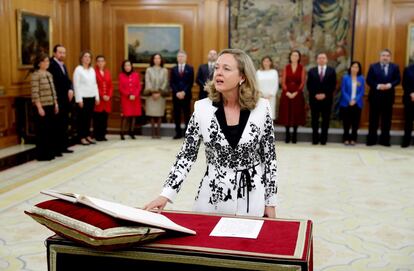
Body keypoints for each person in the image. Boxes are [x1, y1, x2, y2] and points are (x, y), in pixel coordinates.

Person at [144, 49, 277, 218]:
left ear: (242, 77)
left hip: (251, 198)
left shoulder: (262, 108)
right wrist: (166, 194)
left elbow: (269, 158)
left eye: (226, 69)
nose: (218, 73)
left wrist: (270, 202)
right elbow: (186, 155)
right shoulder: (201, 108)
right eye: (217, 68)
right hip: (212, 198)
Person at [366, 49, 401, 146]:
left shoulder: (395, 67)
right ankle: (371, 140)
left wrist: (390, 85)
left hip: (388, 98)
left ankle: (385, 141)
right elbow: (369, 80)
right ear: (380, 57)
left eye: (387, 56)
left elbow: (398, 79)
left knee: (386, 120)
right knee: (373, 120)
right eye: (383, 55)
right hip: (375, 97)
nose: (385, 57)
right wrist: (378, 86)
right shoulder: (373, 66)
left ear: (390, 57)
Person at [31, 53, 59, 161]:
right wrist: (39, 107)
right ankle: (42, 154)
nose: (47, 63)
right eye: (45, 61)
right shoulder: (35, 75)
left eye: (48, 61)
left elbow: (53, 91)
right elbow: (35, 93)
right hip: (42, 106)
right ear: (39, 63)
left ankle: (49, 152)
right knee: (42, 131)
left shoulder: (49, 74)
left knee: (50, 130)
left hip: (51, 105)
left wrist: (56, 103)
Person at [48, 44, 74, 153]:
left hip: (65, 99)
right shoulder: (51, 64)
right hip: (57, 99)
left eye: (64, 52)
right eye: (60, 52)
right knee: (57, 124)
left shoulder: (62, 65)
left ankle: (63, 146)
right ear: (54, 53)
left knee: (64, 123)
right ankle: (57, 148)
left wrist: (71, 89)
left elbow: (67, 80)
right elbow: (54, 84)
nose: (62, 54)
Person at [306, 52, 337, 145]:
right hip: (314, 99)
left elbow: (333, 85)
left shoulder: (331, 71)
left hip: (327, 99)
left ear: (326, 60)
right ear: (317, 60)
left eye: (323, 58)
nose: (321, 59)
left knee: (325, 120)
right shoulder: (312, 71)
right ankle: (315, 139)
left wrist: (325, 94)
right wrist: (315, 94)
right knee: (314, 120)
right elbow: (309, 85)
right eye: (319, 58)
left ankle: (323, 140)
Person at [278, 50, 306, 143]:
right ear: (290, 57)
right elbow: (283, 81)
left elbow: (302, 82)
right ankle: (287, 134)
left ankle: (294, 134)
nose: (294, 57)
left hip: (297, 94)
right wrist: (287, 92)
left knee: (296, 114)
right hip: (286, 94)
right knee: (287, 113)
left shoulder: (302, 68)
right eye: (293, 55)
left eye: (296, 55)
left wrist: (296, 92)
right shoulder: (286, 67)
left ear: (299, 57)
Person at [73, 50, 100, 145]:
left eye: (89, 57)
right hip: (83, 98)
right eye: (85, 56)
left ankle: (88, 135)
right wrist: (79, 99)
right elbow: (76, 85)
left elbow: (95, 84)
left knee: (89, 118)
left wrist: (97, 97)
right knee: (82, 119)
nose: (87, 58)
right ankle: (81, 137)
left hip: (91, 97)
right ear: (81, 58)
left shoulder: (92, 70)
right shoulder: (78, 69)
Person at [339, 61, 365, 145]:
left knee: (355, 123)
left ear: (359, 69)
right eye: (353, 66)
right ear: (350, 68)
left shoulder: (361, 78)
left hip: (357, 104)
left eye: (356, 67)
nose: (355, 68)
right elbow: (343, 90)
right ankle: (346, 138)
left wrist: (355, 100)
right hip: (346, 103)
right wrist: (349, 100)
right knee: (346, 122)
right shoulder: (345, 77)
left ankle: (353, 139)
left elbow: (362, 91)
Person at [143, 53, 169, 138]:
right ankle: (153, 133)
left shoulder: (164, 70)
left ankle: (158, 133)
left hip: (160, 95)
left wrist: (159, 92)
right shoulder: (149, 70)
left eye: (158, 58)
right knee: (152, 115)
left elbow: (165, 82)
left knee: (159, 114)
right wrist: (153, 92)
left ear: (161, 60)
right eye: (155, 58)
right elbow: (148, 81)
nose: (157, 60)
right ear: (153, 60)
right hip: (151, 95)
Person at [170, 50, 194, 139]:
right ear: (177, 58)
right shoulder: (173, 69)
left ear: (185, 58)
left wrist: (184, 92)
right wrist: (177, 92)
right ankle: (178, 133)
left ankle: (186, 133)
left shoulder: (190, 68)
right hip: (176, 96)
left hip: (186, 95)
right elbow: (172, 82)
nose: (180, 58)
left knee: (186, 114)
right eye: (179, 56)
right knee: (176, 115)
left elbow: (190, 82)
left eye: (182, 56)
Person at [118, 60, 142, 140]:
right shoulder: (121, 75)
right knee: (125, 116)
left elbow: (138, 86)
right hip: (126, 98)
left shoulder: (136, 75)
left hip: (135, 98)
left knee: (133, 116)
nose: (127, 67)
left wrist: (134, 95)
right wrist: (128, 95)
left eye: (129, 65)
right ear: (123, 67)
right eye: (126, 66)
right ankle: (122, 132)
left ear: (131, 66)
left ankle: (131, 132)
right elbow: (121, 88)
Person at [93, 55, 113, 141]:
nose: (101, 63)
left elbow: (110, 86)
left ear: (105, 62)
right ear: (96, 63)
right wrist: (102, 95)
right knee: (98, 118)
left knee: (105, 118)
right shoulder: (93, 72)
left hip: (107, 100)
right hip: (99, 99)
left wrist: (109, 95)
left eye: (102, 61)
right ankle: (97, 135)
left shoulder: (107, 72)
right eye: (99, 61)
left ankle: (103, 135)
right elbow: (94, 86)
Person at [256, 56, 279, 121]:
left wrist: (271, 95)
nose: (266, 63)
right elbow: (256, 84)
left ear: (270, 62)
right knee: (261, 115)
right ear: (262, 62)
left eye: (268, 61)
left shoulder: (274, 72)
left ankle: (269, 130)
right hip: (260, 97)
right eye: (265, 61)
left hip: (271, 97)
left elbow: (275, 84)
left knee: (270, 115)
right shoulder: (258, 72)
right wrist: (261, 94)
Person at [402, 63, 414, 147]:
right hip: (409, 98)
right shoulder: (408, 69)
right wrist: (411, 93)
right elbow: (404, 84)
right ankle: (406, 141)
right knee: (408, 121)